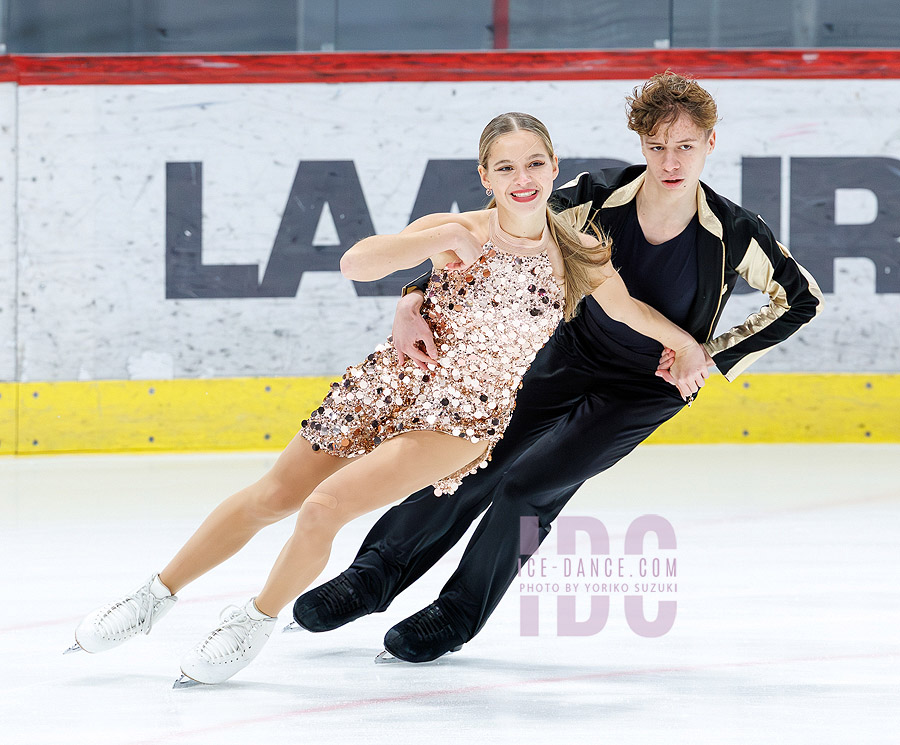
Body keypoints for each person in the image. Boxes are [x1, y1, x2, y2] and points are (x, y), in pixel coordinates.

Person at [68, 111, 710, 686]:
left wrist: (690, 347)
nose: (523, 177)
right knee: (273, 496)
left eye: (535, 163)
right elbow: (357, 263)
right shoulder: (459, 230)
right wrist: (423, 254)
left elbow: (629, 311)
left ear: (554, 169)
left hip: (461, 415)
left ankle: (253, 620)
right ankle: (154, 596)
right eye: (506, 166)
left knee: (322, 508)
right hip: (390, 383)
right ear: (485, 176)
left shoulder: (578, 253)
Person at [291, 71, 825, 663]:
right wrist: (414, 295)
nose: (670, 161)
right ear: (640, 144)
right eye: (656, 147)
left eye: (686, 147)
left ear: (711, 144)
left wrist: (710, 354)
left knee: (531, 487)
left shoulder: (734, 230)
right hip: (570, 354)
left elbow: (802, 300)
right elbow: (494, 237)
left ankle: (460, 610)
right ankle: (373, 574)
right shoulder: (593, 197)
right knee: (474, 453)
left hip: (646, 389)